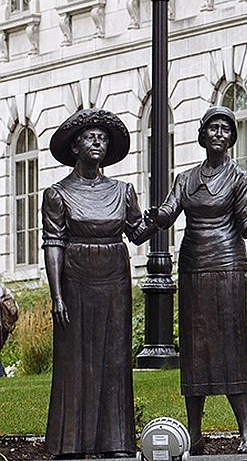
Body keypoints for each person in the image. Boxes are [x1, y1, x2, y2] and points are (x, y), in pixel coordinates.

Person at [147, 106, 247, 454]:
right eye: (213, 129)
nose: (219, 134)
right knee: (195, 349)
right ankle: (194, 431)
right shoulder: (186, 179)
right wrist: (154, 217)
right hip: (193, 267)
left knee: (230, 346)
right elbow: (168, 212)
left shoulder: (241, 178)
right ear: (203, 135)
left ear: (232, 138)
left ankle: (246, 431)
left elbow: (246, 222)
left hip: (227, 268)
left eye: (225, 129)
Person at [42, 109, 155, 458]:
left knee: (115, 358)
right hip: (76, 281)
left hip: (114, 279)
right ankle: (71, 443)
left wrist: (158, 218)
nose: (97, 142)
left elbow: (136, 234)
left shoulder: (123, 191)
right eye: (90, 137)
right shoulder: (57, 194)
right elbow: (53, 243)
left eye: (103, 138)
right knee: (75, 361)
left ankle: (116, 441)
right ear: (75, 146)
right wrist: (56, 295)